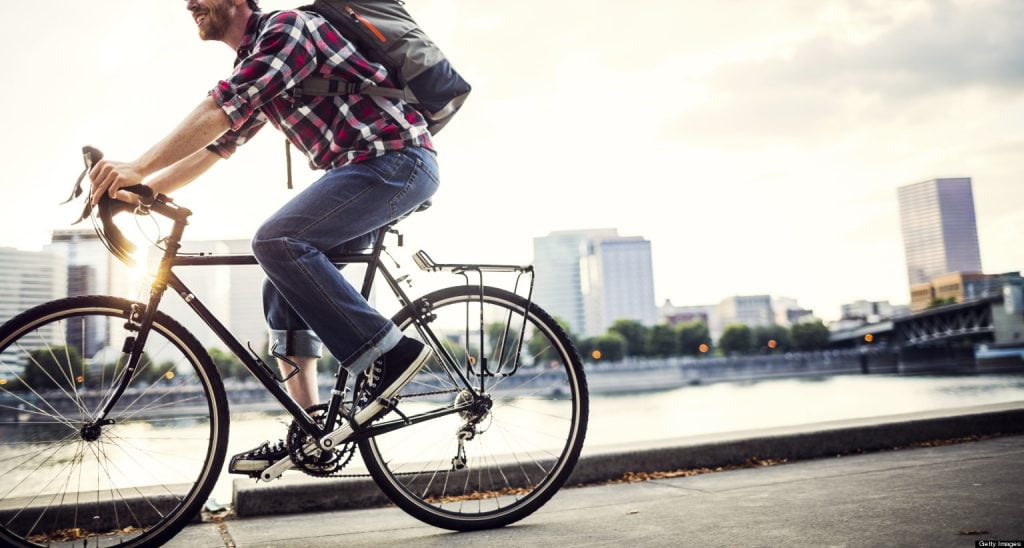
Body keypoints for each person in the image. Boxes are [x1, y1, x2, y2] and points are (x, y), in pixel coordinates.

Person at [88, 0, 439, 476]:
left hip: (395, 162)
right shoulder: (257, 58)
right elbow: (215, 147)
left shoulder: (287, 29)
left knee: (277, 242)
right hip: (364, 170)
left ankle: (391, 353)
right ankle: (314, 430)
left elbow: (220, 105)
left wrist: (137, 165)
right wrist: (142, 190)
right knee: (283, 276)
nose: (188, 3)